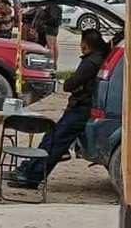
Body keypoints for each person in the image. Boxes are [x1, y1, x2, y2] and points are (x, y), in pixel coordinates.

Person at [14, 29, 111, 188]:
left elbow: (69, 85)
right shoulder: (99, 58)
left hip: (81, 109)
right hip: (84, 107)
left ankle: (32, 176)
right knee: (51, 138)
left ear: (84, 45)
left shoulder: (90, 62)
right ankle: (29, 169)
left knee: (54, 142)